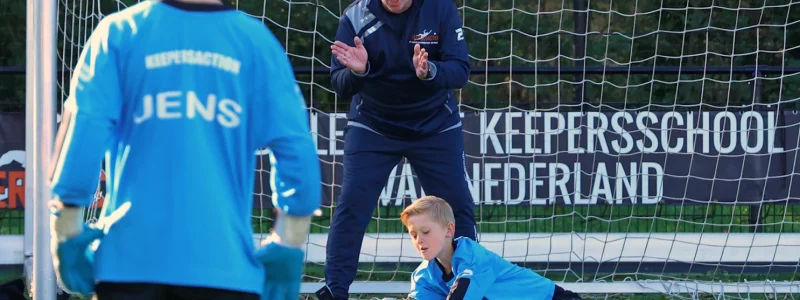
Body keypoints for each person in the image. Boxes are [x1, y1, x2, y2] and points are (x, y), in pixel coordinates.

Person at [47, 1, 321, 299]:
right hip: (225, 268)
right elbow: (295, 146)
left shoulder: (119, 32)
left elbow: (84, 131)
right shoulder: (255, 41)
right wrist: (289, 240)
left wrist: (67, 229)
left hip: (128, 265)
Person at [316, 0, 477, 298]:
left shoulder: (440, 9)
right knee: (352, 205)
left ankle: (468, 285)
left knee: (457, 207)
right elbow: (340, 83)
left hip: (435, 125)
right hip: (373, 126)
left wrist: (431, 70)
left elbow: (460, 70)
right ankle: (334, 290)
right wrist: (358, 71)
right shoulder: (355, 16)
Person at [402, 196, 584, 300]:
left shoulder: (473, 257)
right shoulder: (423, 277)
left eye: (426, 231)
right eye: (414, 234)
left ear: (449, 230)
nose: (420, 240)